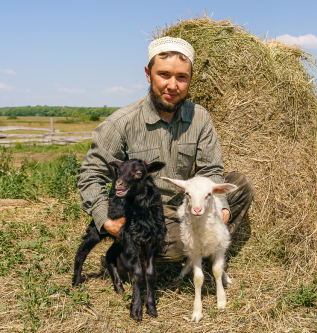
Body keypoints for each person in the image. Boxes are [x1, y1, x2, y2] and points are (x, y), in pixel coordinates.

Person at [77, 37, 254, 265]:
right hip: (145, 210)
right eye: (164, 75)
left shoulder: (200, 117)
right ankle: (127, 256)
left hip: (187, 203)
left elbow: (210, 169)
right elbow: (91, 175)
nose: (173, 85)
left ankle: (203, 247)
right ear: (148, 74)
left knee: (240, 185)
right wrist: (107, 221)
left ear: (190, 79)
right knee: (178, 242)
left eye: (182, 77)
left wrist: (223, 207)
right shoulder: (120, 123)